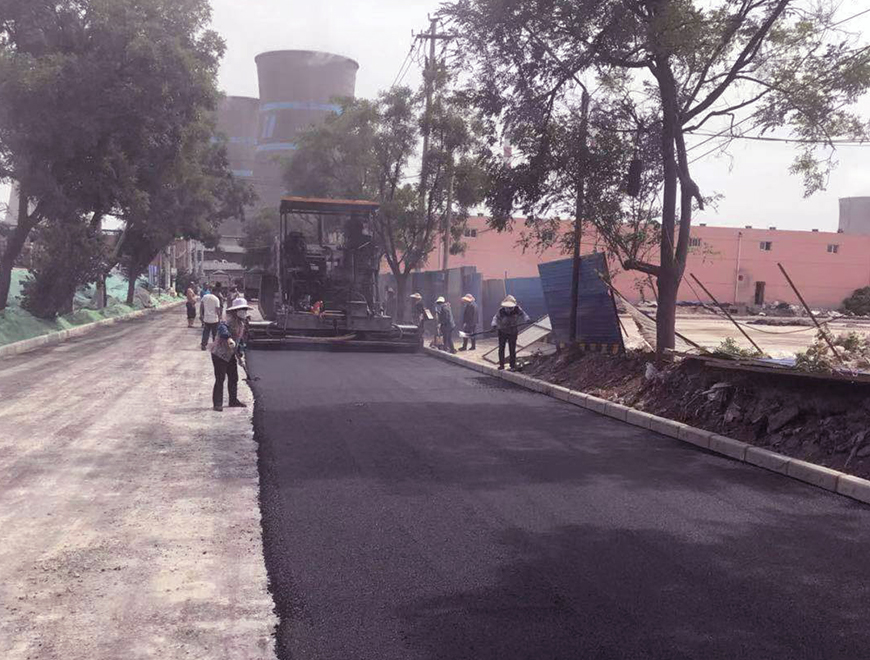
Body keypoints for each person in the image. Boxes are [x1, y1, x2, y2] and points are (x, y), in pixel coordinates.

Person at [210, 298, 251, 411]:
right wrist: (228, 338)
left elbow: (239, 340)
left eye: (245, 309)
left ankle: (233, 400)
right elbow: (222, 328)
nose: (244, 311)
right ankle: (217, 404)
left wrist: (240, 354)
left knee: (233, 377)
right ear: (235, 310)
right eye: (241, 309)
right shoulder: (228, 319)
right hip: (219, 353)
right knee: (220, 378)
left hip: (230, 353)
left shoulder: (242, 323)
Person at [491, 295, 530, 371]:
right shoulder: (501, 311)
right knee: (501, 348)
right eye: (507, 308)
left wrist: (527, 319)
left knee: (512, 349)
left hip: (513, 331)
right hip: (502, 331)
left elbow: (524, 315)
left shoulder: (517, 309)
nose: (509, 310)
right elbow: (495, 318)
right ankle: (501, 365)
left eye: (510, 308)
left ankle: (512, 365)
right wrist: (494, 325)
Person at [200, 286, 222, 351]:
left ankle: (203, 345)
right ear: (216, 292)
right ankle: (215, 346)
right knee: (214, 334)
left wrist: (201, 315)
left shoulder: (205, 297)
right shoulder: (216, 299)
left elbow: (201, 306)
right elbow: (217, 309)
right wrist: (220, 317)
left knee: (206, 333)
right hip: (214, 319)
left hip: (206, 318)